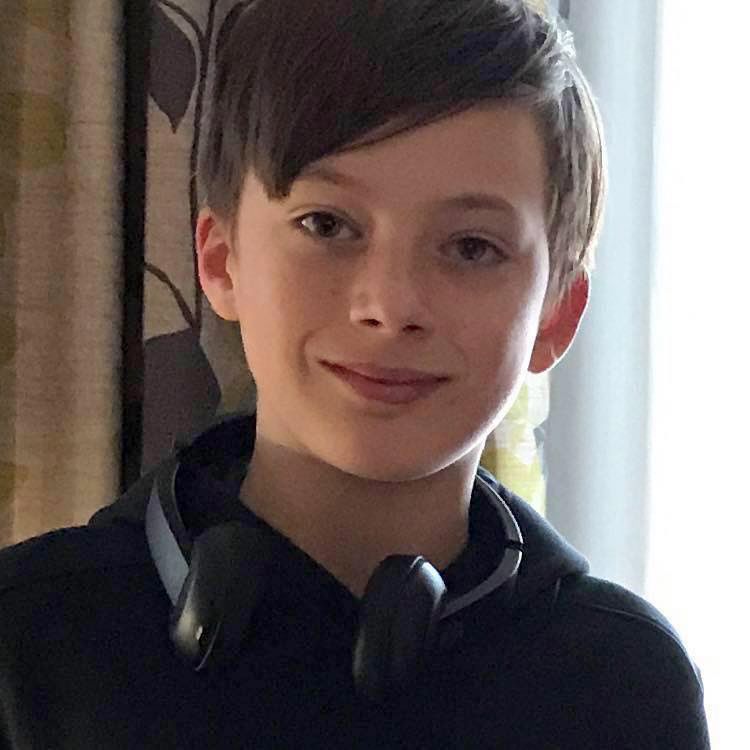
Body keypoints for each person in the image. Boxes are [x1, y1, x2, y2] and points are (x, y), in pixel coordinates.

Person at [0, 0, 710, 747]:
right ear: (221, 259)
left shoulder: (623, 683)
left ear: (557, 316)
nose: (390, 306)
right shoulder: (28, 647)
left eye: (471, 248)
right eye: (327, 226)